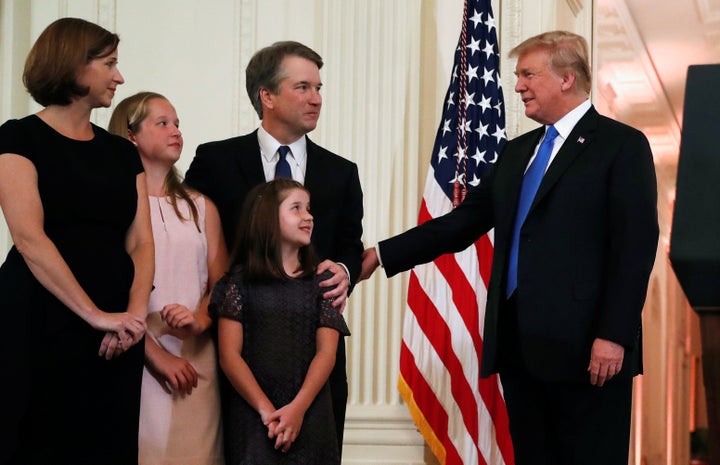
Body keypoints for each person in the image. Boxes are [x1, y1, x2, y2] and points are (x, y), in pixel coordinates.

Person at [360, 31, 659, 465]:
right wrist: (382, 255)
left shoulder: (621, 145)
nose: (517, 85)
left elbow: (635, 247)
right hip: (521, 346)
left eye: (528, 74)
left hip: (590, 351)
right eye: (517, 75)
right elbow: (462, 223)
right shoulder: (517, 153)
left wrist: (613, 335)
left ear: (566, 78)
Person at [184, 40, 363, 452]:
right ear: (267, 95)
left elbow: (350, 246)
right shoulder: (214, 161)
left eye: (319, 88)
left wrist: (346, 272)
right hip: (237, 353)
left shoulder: (341, 173)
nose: (316, 99)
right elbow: (189, 241)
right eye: (303, 87)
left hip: (313, 352)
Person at [0, 17, 154, 465]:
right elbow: (29, 238)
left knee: (107, 443)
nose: (119, 77)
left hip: (119, 327)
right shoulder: (17, 137)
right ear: (73, 65)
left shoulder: (123, 152)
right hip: (40, 316)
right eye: (109, 64)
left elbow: (143, 242)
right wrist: (95, 315)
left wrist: (133, 317)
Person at [108, 92, 227, 465]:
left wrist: (201, 319)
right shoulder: (112, 204)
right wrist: (155, 355)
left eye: (177, 123)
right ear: (131, 136)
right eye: (163, 123)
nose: (176, 131)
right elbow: (105, 287)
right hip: (132, 352)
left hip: (196, 358)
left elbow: (222, 282)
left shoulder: (200, 206)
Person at [210, 178, 350, 464]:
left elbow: (326, 353)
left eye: (308, 208)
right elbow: (229, 356)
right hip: (254, 415)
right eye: (296, 208)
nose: (308, 216)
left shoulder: (323, 282)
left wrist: (297, 410)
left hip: (309, 413)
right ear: (267, 219)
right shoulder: (237, 284)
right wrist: (266, 411)